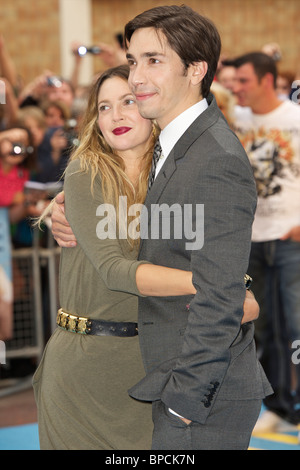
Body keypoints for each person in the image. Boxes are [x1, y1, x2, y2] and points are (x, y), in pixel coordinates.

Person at [51, 6, 271, 450]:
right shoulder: (167, 151)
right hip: (166, 381)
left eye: (154, 60)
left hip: (198, 398)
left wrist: (184, 404)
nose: (136, 76)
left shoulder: (214, 158)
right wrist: (63, 206)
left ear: (196, 70)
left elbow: (218, 299)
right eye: (132, 60)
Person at [229, 51, 300, 436]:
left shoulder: (295, 118)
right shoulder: (235, 121)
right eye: (234, 81)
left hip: (291, 239)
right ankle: (279, 404)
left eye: (243, 81)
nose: (236, 88)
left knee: (296, 325)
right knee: (264, 325)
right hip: (252, 238)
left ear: (267, 81)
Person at [0, 126, 36, 340]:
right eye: (10, 141)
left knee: (5, 323)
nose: (16, 147)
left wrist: (26, 202)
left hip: (4, 247)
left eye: (22, 143)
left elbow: (12, 215)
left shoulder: (22, 174)